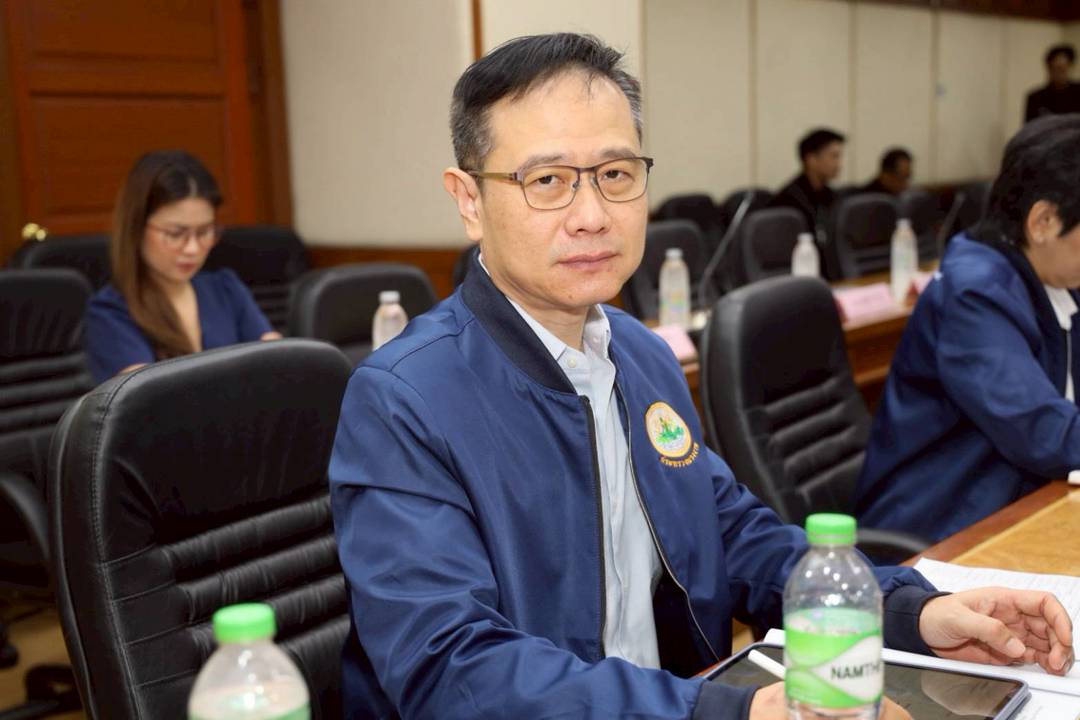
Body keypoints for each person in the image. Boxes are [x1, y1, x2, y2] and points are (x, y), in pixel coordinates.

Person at [330, 34, 1073, 720]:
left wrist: (908, 612)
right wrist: (730, 713)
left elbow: (733, 538)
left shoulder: (639, 353)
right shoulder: (404, 400)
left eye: (616, 174)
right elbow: (453, 669)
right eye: (547, 180)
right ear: (468, 200)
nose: (592, 214)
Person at [857, 114, 1080, 543]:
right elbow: (1041, 431)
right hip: (943, 526)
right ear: (1043, 222)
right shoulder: (975, 293)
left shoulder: (1055, 272)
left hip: (1017, 503)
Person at [84, 150, 280, 383]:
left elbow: (278, 363)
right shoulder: (110, 312)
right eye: (175, 234)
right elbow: (148, 398)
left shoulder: (225, 287)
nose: (192, 249)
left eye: (204, 232)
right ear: (136, 228)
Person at [768, 127, 844, 240]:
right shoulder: (788, 201)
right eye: (833, 156)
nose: (838, 164)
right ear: (811, 159)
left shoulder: (830, 196)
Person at [1025, 44, 1080, 122]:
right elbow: (1030, 128)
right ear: (1048, 68)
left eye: (1062, 69)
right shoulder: (1036, 98)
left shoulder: (1078, 93)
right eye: (1054, 68)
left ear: (1070, 67)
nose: (1058, 73)